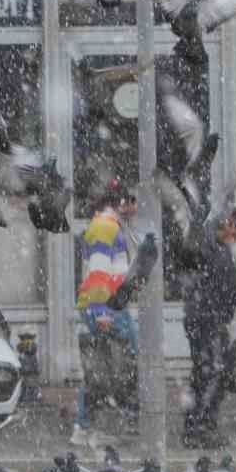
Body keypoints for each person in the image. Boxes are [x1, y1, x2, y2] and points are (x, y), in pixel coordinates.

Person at [180, 207, 236, 449]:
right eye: (234, 226)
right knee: (212, 372)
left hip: (206, 319)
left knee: (206, 372)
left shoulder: (218, 249)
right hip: (206, 320)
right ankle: (201, 425)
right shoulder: (212, 250)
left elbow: (230, 289)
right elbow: (230, 289)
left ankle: (196, 425)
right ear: (223, 225)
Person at [73, 179, 139, 446]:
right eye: (133, 201)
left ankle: (88, 424)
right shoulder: (105, 227)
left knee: (103, 366)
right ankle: (118, 418)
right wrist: (102, 311)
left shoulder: (108, 226)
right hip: (107, 306)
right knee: (121, 362)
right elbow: (99, 272)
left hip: (107, 304)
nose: (136, 207)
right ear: (121, 203)